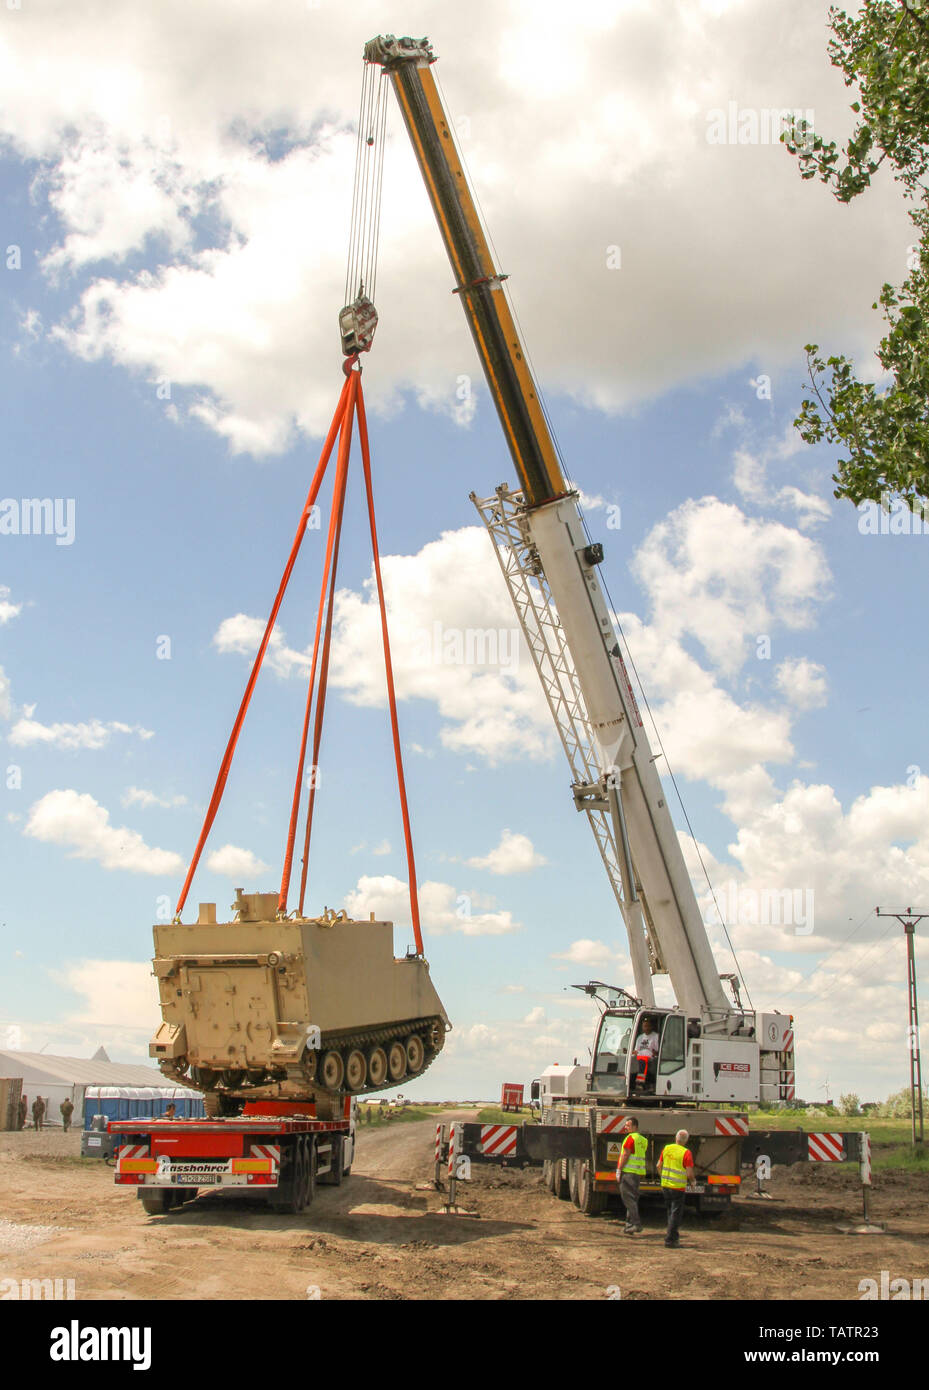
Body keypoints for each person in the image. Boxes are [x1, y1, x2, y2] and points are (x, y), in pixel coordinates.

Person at [657, 1128, 695, 1248]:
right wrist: (693, 1182)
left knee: (670, 1212)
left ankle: (673, 1237)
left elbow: (658, 1165)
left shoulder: (667, 1148)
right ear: (686, 1140)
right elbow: (689, 1173)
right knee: (675, 1214)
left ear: (676, 1138)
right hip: (677, 1188)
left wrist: (662, 1176)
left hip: (665, 1185)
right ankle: (670, 1240)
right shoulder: (686, 1152)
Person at [615, 1115, 647, 1235]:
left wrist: (619, 1169)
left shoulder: (630, 1139)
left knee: (628, 1199)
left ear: (635, 1126)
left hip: (628, 1173)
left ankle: (636, 1224)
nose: (625, 1127)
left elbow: (626, 1155)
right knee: (632, 1199)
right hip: (638, 1173)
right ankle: (630, 1226)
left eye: (628, 1125)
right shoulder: (643, 1140)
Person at [632, 1016, 659, 1090]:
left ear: (651, 1026)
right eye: (644, 1026)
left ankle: (640, 1083)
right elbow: (636, 1051)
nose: (646, 1028)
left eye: (648, 1026)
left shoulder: (656, 1036)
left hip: (650, 1058)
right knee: (631, 1060)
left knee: (642, 1062)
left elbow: (657, 1051)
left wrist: (655, 1053)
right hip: (639, 1057)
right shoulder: (640, 1037)